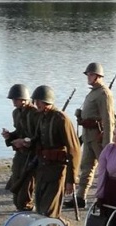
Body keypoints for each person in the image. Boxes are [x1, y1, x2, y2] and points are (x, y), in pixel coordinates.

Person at [66, 62, 116, 209]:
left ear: (98, 76)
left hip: (99, 137)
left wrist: (108, 144)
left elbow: (108, 120)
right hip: (88, 136)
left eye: (91, 74)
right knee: (86, 167)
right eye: (88, 74)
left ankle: (108, 196)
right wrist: (81, 116)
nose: (88, 76)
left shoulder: (104, 93)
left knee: (105, 168)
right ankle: (81, 197)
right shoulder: (93, 92)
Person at [30, 85, 81, 219]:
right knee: (40, 208)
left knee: (50, 212)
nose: (36, 104)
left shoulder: (61, 119)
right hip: (43, 169)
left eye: (38, 101)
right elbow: (38, 139)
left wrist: (71, 179)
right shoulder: (41, 117)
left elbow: (74, 150)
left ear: (47, 102)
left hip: (57, 171)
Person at [1, 84, 37, 211]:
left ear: (24, 99)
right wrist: (9, 136)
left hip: (32, 154)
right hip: (20, 154)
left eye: (16, 99)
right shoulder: (16, 113)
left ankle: (27, 208)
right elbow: (19, 131)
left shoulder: (34, 113)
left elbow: (38, 135)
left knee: (26, 185)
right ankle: (21, 208)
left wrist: (25, 141)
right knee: (16, 180)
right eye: (13, 100)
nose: (13, 102)